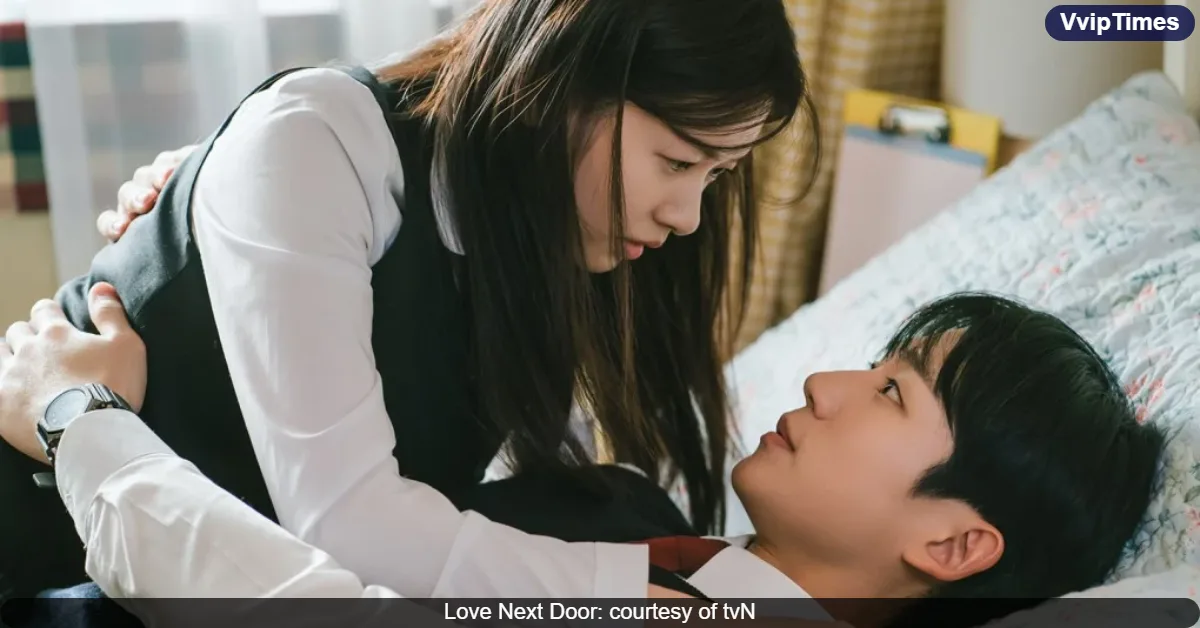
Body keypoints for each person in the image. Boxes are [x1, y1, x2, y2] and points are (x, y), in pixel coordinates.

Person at [0, 0, 818, 596]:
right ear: (562, 79)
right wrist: (649, 597)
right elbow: (351, 527)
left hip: (207, 563)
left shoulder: (549, 231)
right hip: (47, 548)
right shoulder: (318, 143)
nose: (687, 217)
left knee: (616, 504)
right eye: (678, 163)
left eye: (718, 176)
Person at [0, 289, 1166, 628]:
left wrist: (79, 418)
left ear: (954, 542)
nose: (824, 382)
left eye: (892, 391)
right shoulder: (668, 552)